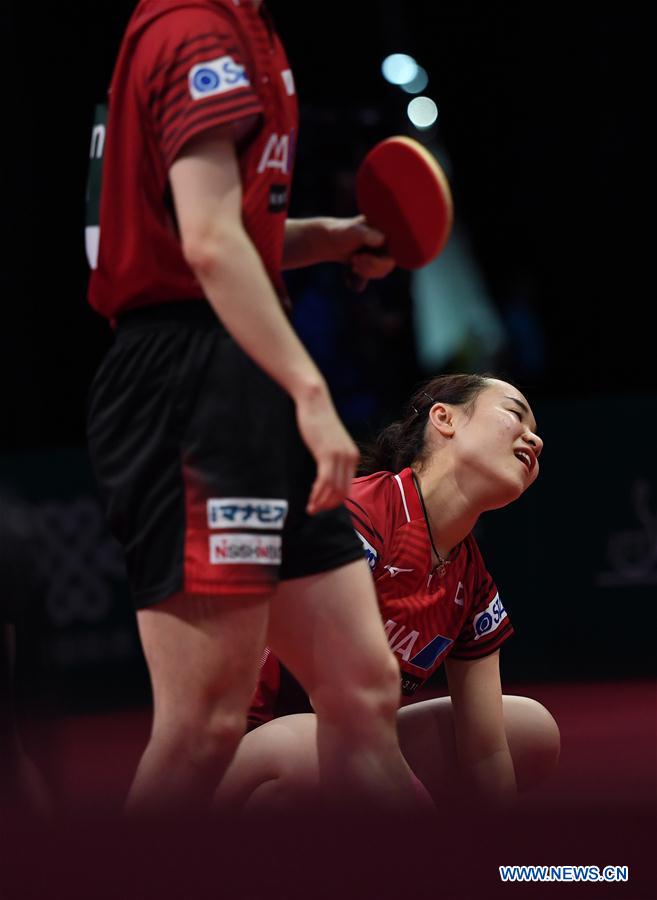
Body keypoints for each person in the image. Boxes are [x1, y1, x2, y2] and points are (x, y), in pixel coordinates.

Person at [85, 0, 428, 814]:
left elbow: (220, 228)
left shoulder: (253, 26)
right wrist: (309, 390)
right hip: (188, 383)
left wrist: (330, 237)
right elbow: (204, 243)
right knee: (204, 724)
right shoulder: (192, 28)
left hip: (241, 365)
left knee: (362, 686)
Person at [215, 374, 561, 813]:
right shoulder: (357, 515)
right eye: (515, 414)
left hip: (357, 739)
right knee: (309, 756)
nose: (535, 438)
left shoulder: (472, 582)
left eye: (537, 430)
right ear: (444, 419)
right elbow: (337, 696)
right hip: (253, 741)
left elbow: (485, 750)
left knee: (530, 732)